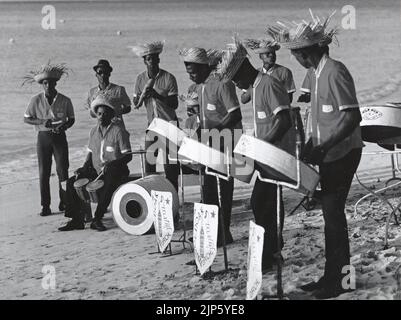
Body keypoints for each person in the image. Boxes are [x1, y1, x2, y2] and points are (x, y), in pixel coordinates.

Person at [267, 10, 363, 298]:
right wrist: (311, 145)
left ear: (312, 50)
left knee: (334, 217)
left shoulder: (335, 71)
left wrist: (324, 145)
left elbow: (351, 117)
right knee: (330, 216)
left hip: (343, 153)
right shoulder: (315, 73)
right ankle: (331, 276)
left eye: (299, 53)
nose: (298, 58)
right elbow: (322, 116)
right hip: (328, 152)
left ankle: (342, 282)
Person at [217, 38, 296, 271]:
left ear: (243, 71)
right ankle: (271, 251)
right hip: (265, 154)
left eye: (236, 79)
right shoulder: (256, 87)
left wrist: (262, 147)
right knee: (262, 202)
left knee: (263, 202)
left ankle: (270, 254)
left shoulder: (269, 85)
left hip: (275, 156)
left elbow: (284, 120)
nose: (238, 84)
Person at [179, 47, 243, 246]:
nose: (191, 76)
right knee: (208, 192)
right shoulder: (200, 87)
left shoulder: (222, 84)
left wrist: (214, 131)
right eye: (188, 72)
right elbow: (204, 117)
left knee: (222, 191)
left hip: (224, 143)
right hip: (210, 145)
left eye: (194, 72)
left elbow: (235, 114)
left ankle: (222, 234)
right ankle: (218, 234)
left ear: (205, 67)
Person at [58, 93, 132, 232]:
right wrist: (83, 167)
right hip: (96, 169)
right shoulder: (93, 132)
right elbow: (91, 153)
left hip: (116, 169)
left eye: (105, 114)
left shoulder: (119, 131)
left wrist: (112, 165)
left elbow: (128, 156)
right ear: (96, 115)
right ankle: (76, 220)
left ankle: (97, 219)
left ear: (110, 115)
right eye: (99, 114)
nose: (101, 117)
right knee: (71, 181)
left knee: (109, 183)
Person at [23, 62, 75, 216]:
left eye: (51, 82)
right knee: (43, 172)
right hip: (43, 138)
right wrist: (40, 122)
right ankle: (45, 206)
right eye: (45, 83)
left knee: (62, 171)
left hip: (60, 137)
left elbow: (71, 119)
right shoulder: (35, 100)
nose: (48, 85)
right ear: (42, 84)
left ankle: (64, 202)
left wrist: (64, 127)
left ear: (55, 83)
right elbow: (26, 118)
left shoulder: (65, 100)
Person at [131, 41, 179, 191]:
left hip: (170, 126)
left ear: (158, 59)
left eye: (154, 58)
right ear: (144, 61)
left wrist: (157, 95)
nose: (152, 61)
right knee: (149, 164)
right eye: (148, 59)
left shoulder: (169, 78)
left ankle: (173, 199)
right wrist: (140, 98)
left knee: (170, 167)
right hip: (152, 126)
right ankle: (151, 197)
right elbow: (135, 100)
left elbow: (174, 104)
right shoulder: (140, 79)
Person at [242, 38, 296, 103]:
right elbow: (244, 100)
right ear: (260, 56)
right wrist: (254, 85)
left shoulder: (285, 72)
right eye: (267, 53)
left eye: (273, 53)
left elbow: (289, 99)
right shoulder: (255, 74)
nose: (271, 55)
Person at [84, 59, 131, 128]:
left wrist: (115, 113)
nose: (103, 75)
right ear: (96, 75)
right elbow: (91, 113)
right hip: (101, 128)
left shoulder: (119, 89)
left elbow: (128, 108)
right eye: (100, 72)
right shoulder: (92, 92)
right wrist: (101, 115)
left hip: (117, 126)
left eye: (105, 72)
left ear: (109, 74)